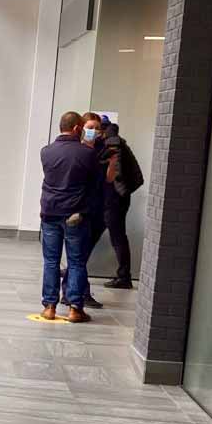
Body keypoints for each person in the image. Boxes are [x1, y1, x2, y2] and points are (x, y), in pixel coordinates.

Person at [40, 111, 100, 323]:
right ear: (76, 128)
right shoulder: (87, 154)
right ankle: (75, 309)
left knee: (50, 261)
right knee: (76, 262)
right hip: (75, 214)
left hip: (49, 212)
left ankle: (49, 307)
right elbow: (95, 184)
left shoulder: (46, 151)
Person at [101, 117, 138, 289]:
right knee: (97, 234)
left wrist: (119, 190)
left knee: (117, 237)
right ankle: (73, 268)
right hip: (115, 197)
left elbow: (115, 171)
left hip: (114, 198)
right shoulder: (115, 140)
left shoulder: (112, 142)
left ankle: (124, 276)